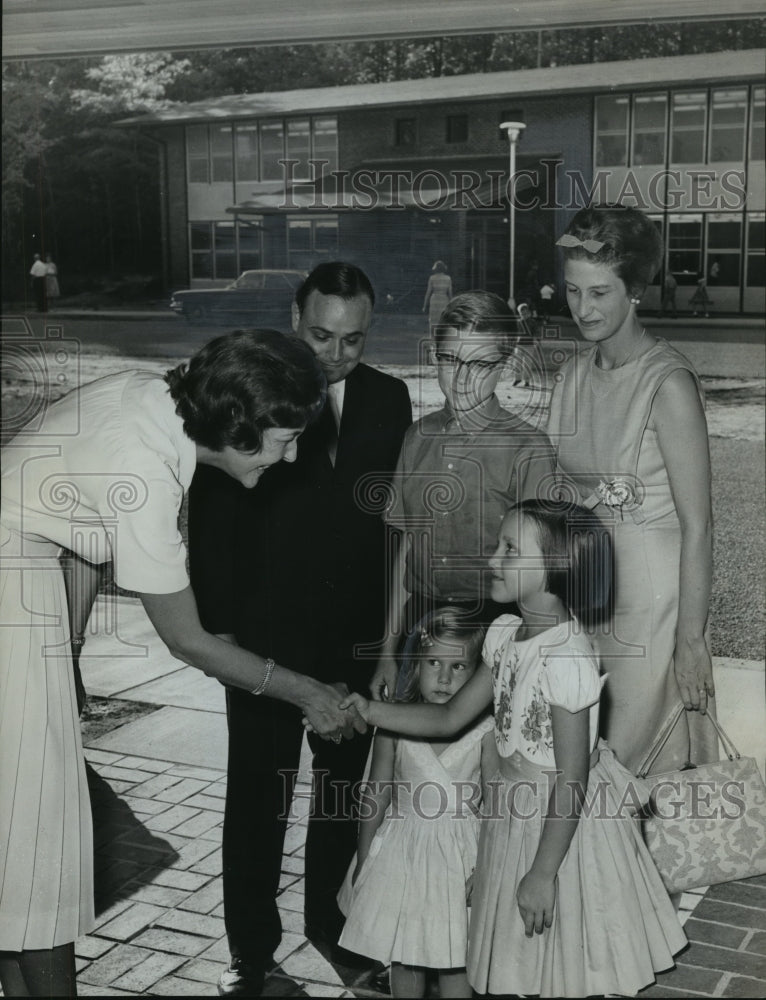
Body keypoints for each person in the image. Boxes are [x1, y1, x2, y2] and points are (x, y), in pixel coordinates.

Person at [0, 329, 365, 998]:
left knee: (15, 835)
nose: (286, 460)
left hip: (24, 589)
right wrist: (308, 693)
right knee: (38, 847)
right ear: (239, 429)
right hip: (9, 599)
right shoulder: (145, 467)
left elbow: (78, 532)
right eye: (283, 440)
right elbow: (188, 640)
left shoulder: (151, 403)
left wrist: (70, 655)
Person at [336, 499, 687, 998]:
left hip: (559, 829)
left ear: (555, 571)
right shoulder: (504, 635)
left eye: (509, 550)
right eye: (498, 546)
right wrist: (366, 711)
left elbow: (572, 777)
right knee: (519, 961)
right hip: (510, 816)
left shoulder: (567, 659)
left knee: (562, 959)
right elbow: (449, 717)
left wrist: (543, 874)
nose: (493, 560)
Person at [188, 262, 412, 996]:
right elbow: (217, 518)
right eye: (321, 335)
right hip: (262, 642)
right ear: (294, 317)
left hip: (351, 639)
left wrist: (385, 641)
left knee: (342, 797)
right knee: (258, 798)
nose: (336, 354)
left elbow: (389, 528)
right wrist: (225, 636)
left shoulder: (390, 397)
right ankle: (251, 955)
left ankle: (334, 929)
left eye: (352, 340)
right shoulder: (252, 393)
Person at [548, 205, 717, 775]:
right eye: (573, 291)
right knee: (576, 768)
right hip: (585, 595)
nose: (582, 309)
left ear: (635, 289)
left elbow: (699, 525)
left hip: (650, 606)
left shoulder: (667, 382)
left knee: (628, 769)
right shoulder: (572, 374)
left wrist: (690, 640)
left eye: (600, 293)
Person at [371, 291, 555, 703]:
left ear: (505, 366)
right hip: (421, 622)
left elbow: (538, 572)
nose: (461, 378)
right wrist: (387, 651)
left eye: (479, 364)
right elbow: (404, 552)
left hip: (496, 624)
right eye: (449, 360)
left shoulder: (529, 449)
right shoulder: (416, 438)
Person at [337, 608, 493, 998]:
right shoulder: (394, 722)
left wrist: (487, 865)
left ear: (478, 677)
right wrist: (365, 857)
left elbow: (497, 803)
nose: (443, 677)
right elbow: (375, 794)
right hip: (402, 852)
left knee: (458, 954)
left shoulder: (487, 731)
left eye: (459, 666)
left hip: (461, 855)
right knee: (404, 954)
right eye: (433, 662)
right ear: (415, 664)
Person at [422, 260, 453, 331]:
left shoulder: (432, 278)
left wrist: (424, 305)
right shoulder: (448, 278)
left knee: (433, 320)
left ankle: (433, 338)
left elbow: (428, 292)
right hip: (444, 300)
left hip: (434, 300)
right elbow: (450, 293)